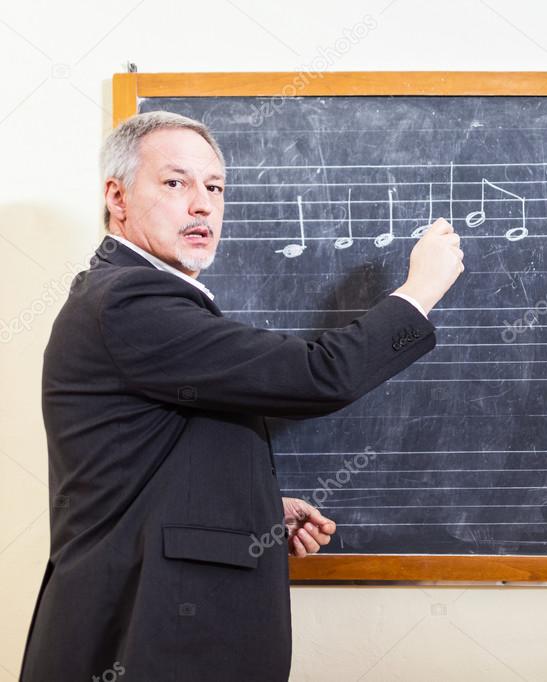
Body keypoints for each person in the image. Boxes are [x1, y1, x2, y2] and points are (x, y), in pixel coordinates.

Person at [19, 111, 464, 681]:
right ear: (118, 196)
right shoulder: (131, 301)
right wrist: (419, 290)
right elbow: (319, 375)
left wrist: (252, 508)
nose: (202, 204)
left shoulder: (133, 298)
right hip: (145, 636)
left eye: (214, 187)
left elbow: (145, 458)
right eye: (175, 183)